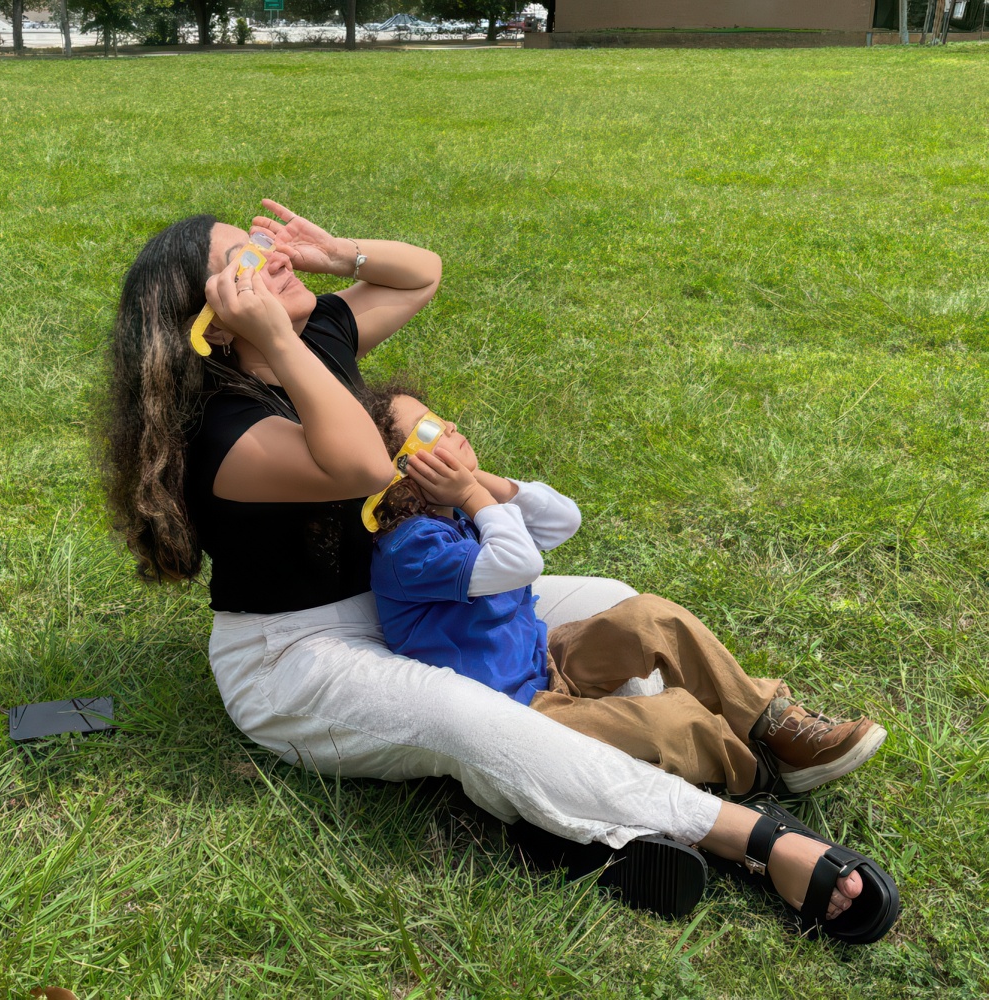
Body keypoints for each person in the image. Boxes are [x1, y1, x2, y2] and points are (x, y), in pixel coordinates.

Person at [102, 199, 898, 942]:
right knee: (466, 718)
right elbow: (354, 461)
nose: (275, 262)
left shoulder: (315, 344)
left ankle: (563, 806)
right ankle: (750, 835)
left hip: (405, 598)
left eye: (267, 247)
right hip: (295, 657)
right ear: (207, 321)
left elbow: (420, 272)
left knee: (619, 602)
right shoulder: (224, 432)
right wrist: (278, 338)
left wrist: (331, 252)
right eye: (247, 264)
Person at [364, 390, 887, 797]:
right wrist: (474, 495)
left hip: (545, 662)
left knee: (651, 618)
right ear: (404, 474)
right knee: (668, 721)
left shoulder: (461, 509)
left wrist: (484, 486)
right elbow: (522, 560)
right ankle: (756, 770)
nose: (451, 425)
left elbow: (564, 521)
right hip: (516, 712)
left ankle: (774, 722)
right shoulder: (411, 548)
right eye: (431, 429)